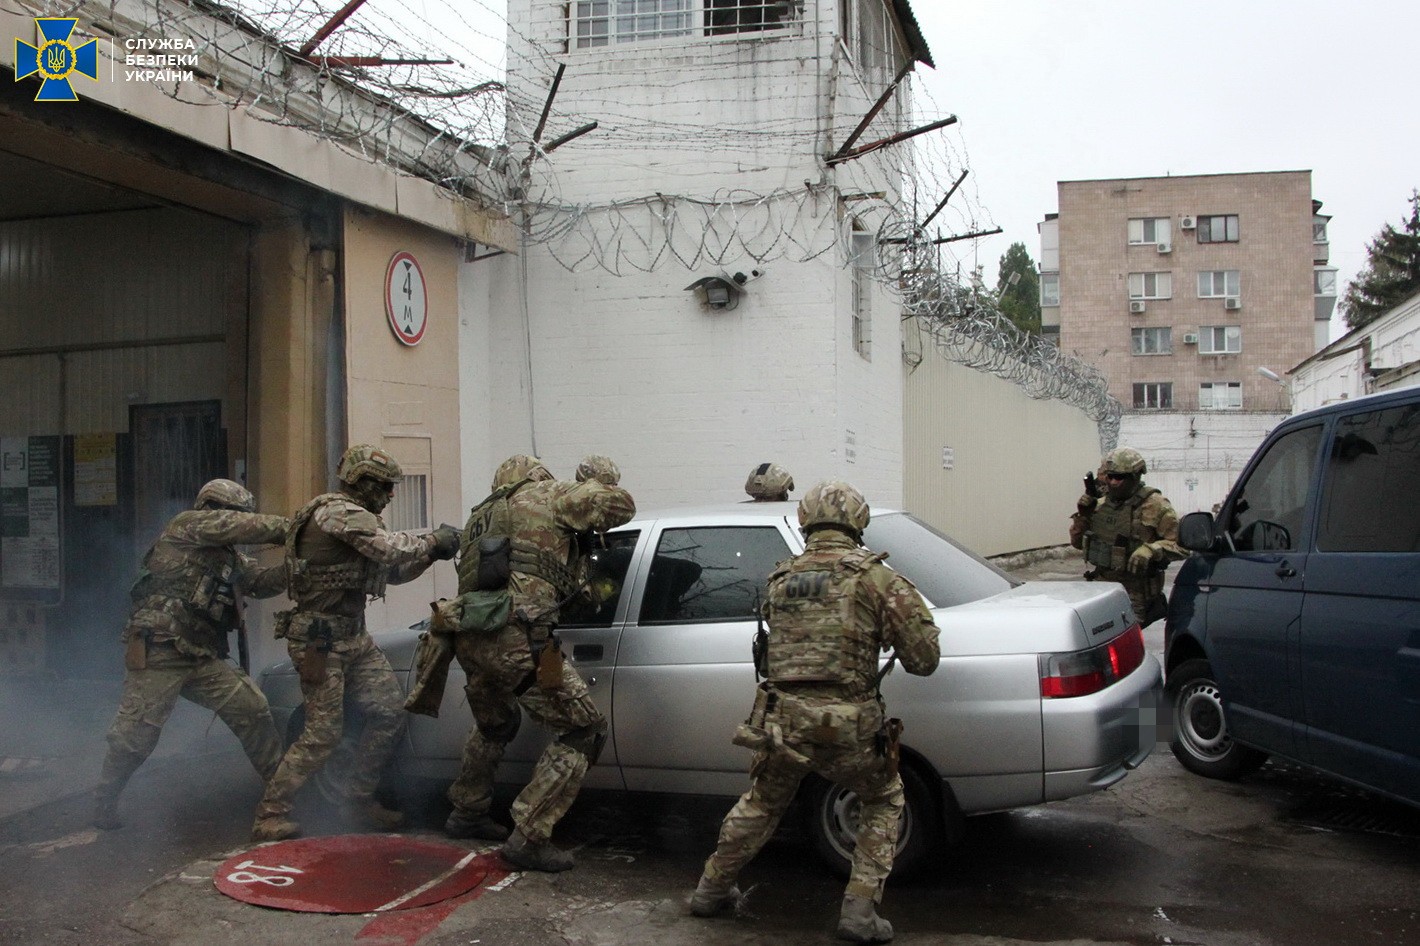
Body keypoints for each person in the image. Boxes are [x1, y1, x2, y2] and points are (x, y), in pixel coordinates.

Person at [690, 480, 940, 944]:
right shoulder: (877, 578)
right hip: (849, 728)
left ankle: (710, 890)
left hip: (783, 723)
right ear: (859, 522)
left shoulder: (780, 578)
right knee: (883, 799)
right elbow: (924, 660)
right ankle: (859, 912)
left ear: (805, 521)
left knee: (762, 803)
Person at [250, 445, 459, 842]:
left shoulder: (360, 522)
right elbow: (390, 548)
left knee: (389, 714)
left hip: (354, 638)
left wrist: (432, 555)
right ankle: (271, 812)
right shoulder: (336, 513)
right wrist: (433, 541)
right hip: (320, 642)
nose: (391, 494)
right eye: (384, 485)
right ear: (361, 482)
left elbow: (394, 573)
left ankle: (357, 800)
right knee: (323, 733)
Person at [441, 454, 635, 872]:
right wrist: (598, 481)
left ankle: (467, 811)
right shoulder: (548, 495)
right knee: (584, 730)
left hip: (469, 640)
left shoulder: (482, 517)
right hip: (517, 639)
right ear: (537, 476)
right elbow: (621, 506)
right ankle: (529, 835)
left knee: (495, 725)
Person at [93, 479, 290, 830]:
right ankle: (104, 801)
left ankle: (283, 798)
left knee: (252, 708)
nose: (239, 523)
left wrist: (300, 565)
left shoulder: (230, 559)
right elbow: (245, 526)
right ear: (214, 510)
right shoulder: (187, 526)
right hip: (160, 650)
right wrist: (302, 528)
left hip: (200, 656)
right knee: (135, 738)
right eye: (236, 514)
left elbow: (261, 583)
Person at [1069, 446, 1185, 625]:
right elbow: (1077, 543)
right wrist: (1083, 516)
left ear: (1135, 477)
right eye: (1110, 476)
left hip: (1136, 594)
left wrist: (1152, 549)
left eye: (1120, 477)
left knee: (1129, 638)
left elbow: (1182, 546)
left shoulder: (1156, 506)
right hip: (1102, 589)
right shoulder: (1099, 505)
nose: (1113, 482)